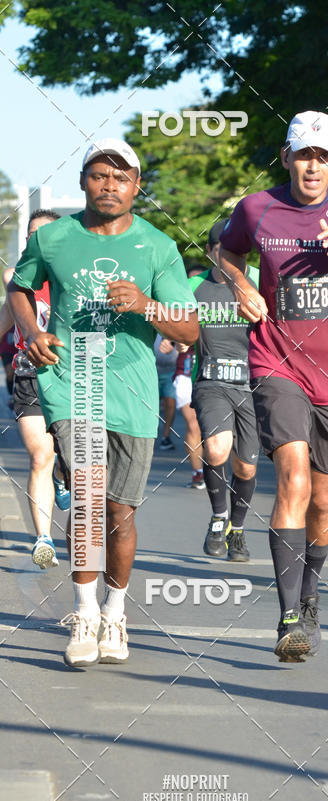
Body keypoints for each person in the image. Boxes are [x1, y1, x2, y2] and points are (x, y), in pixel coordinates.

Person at [8, 137, 198, 668]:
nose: (109, 185)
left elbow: (190, 327)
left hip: (133, 390)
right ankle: (85, 612)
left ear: (137, 186)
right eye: (98, 175)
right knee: (89, 500)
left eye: (121, 177)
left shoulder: (157, 246)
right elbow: (20, 289)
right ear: (83, 182)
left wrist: (147, 304)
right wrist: (31, 332)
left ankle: (116, 612)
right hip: (74, 379)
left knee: (120, 512)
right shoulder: (56, 239)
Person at [219, 111, 328, 659]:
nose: (313, 165)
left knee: (323, 497)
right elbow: (227, 252)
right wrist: (241, 287)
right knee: (293, 479)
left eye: (323, 156)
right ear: (286, 157)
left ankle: (312, 587)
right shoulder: (257, 208)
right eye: (304, 154)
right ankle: (288, 616)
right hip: (276, 361)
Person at [3, 208, 70, 569]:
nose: (35, 240)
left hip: (73, 379)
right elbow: (6, 317)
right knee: (39, 455)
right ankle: (44, 538)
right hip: (29, 377)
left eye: (43, 233)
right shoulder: (15, 277)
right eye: (31, 234)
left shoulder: (76, 278)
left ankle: (63, 476)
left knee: (70, 460)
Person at [190, 219, 260, 562]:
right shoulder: (193, 287)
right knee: (217, 448)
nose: (235, 259)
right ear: (211, 252)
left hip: (254, 386)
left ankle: (238, 528)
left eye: (241, 252)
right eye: (226, 251)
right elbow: (175, 327)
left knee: (245, 467)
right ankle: (218, 517)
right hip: (211, 381)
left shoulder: (261, 283)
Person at [172, 343, 205, 489]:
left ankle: (213, 468)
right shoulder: (185, 318)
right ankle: (198, 473)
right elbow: (170, 331)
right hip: (185, 373)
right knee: (193, 425)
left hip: (212, 371)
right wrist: (170, 342)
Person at [154, 335, 178, 450]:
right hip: (152, 370)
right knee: (151, 405)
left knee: (170, 403)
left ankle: (166, 436)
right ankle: (150, 434)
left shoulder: (176, 321)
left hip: (171, 371)